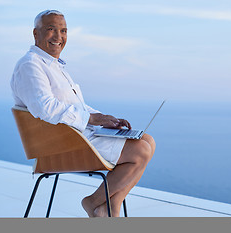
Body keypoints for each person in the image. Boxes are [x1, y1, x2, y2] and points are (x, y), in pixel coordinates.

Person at [11, 10, 155, 217]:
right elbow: (45, 107)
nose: (58, 37)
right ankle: (94, 203)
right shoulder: (30, 65)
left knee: (148, 141)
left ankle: (110, 205)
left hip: (76, 136)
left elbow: (78, 106)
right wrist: (93, 119)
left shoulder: (54, 66)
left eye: (63, 31)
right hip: (60, 145)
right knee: (141, 150)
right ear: (36, 34)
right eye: (51, 29)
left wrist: (106, 119)